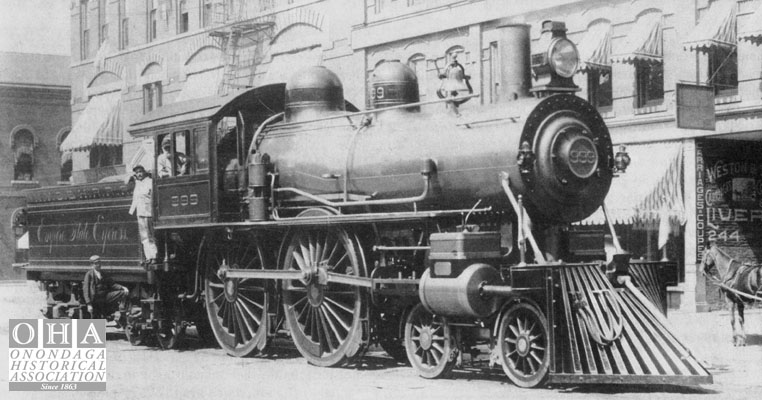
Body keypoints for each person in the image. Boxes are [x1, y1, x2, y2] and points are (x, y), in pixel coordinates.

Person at [129, 165, 158, 264]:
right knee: (144, 237)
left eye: (140, 171)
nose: (139, 174)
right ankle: (148, 257)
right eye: (137, 172)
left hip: (148, 212)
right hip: (140, 213)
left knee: (150, 236)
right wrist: (131, 212)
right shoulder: (138, 184)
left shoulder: (149, 182)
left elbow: (153, 197)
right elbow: (135, 199)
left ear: (144, 172)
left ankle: (154, 256)